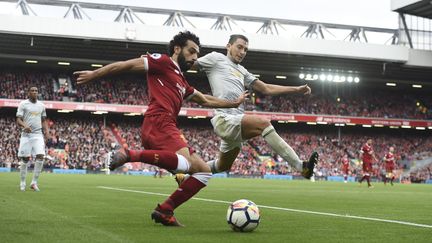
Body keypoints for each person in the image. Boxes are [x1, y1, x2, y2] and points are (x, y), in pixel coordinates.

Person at [74, 31, 247, 227]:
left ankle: (165, 210)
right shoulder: (163, 62)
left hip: (164, 126)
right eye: (191, 52)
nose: (194, 58)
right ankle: (130, 154)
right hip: (160, 123)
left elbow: (206, 99)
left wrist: (233, 103)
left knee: (204, 172)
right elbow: (127, 65)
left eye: (197, 54)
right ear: (177, 49)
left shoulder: (182, 82)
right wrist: (94, 74)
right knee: (189, 166)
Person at [175, 34, 318, 185]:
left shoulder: (243, 71)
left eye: (245, 49)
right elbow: (189, 63)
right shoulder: (216, 58)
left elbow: (266, 88)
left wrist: (296, 89)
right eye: (239, 47)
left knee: (223, 165)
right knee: (263, 123)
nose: (242, 52)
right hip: (225, 119)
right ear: (228, 46)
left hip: (236, 119)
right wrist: (161, 63)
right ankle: (301, 167)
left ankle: (185, 176)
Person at [16, 86, 49, 192]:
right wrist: (25, 126)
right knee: (25, 159)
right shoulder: (23, 104)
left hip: (38, 134)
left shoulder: (41, 105)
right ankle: (22, 182)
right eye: (33, 91)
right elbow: (18, 119)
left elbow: (43, 120)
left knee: (40, 156)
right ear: (28, 93)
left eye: (36, 91)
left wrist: (47, 132)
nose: (35, 92)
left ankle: (34, 182)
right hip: (26, 135)